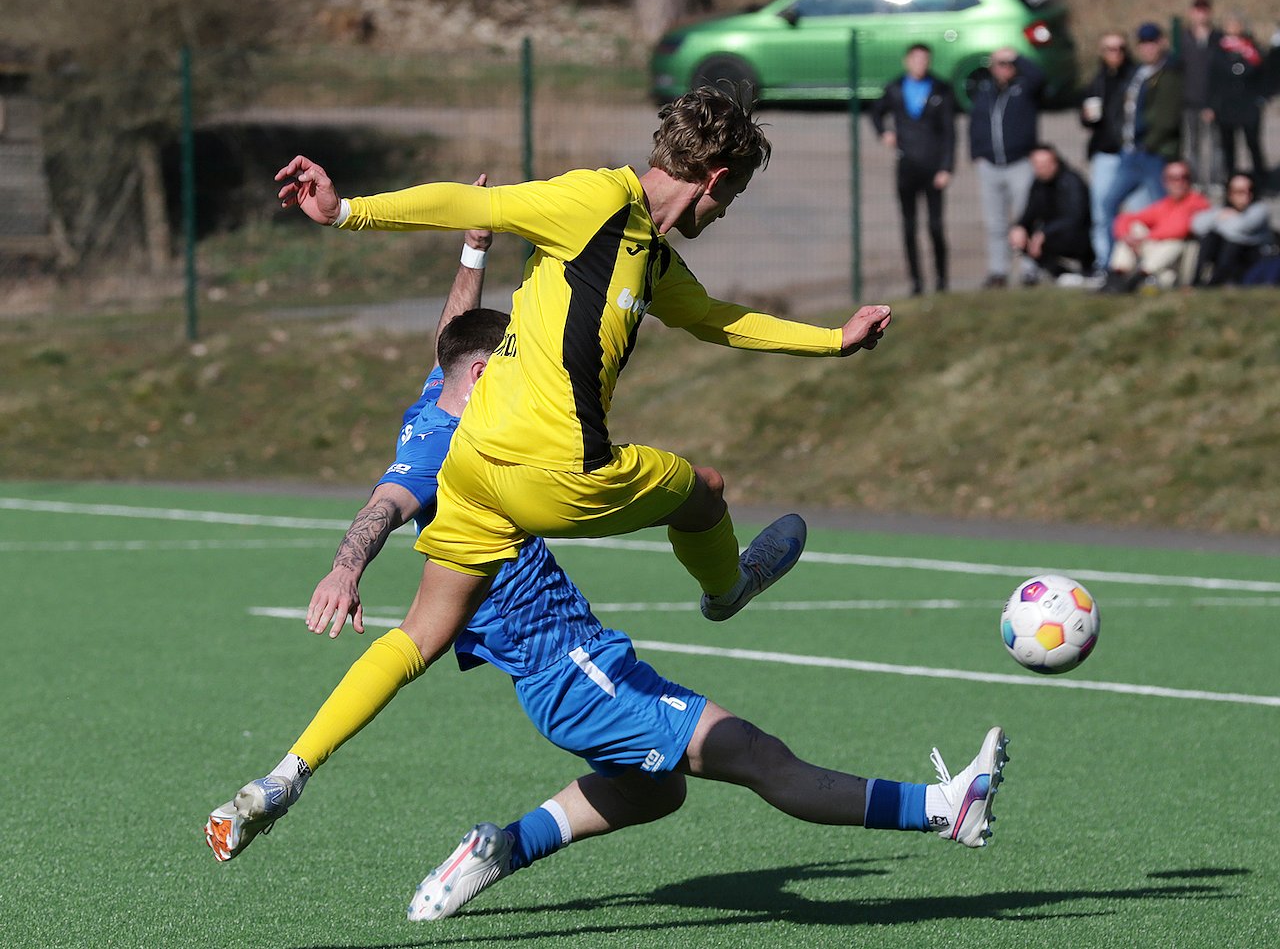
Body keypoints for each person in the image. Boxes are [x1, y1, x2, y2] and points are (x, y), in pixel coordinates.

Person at [206, 226, 1010, 923]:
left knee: (655, 791)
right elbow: (386, 501)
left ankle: (502, 846)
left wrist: (473, 250)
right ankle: (943, 807)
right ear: (486, 378)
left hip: (571, 664)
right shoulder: (443, 448)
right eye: (516, 366)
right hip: (573, 669)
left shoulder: (438, 403)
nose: (529, 377)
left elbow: (454, 338)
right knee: (756, 755)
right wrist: (346, 566)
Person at [228, 86, 895, 868]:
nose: (727, 211)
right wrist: (347, 211)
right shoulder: (595, 200)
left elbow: (716, 318)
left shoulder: (649, 254)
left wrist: (831, 339)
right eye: (734, 195)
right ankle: (727, 591)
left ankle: (286, 774)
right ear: (714, 176)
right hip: (559, 473)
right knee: (705, 489)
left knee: (419, 634)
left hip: (476, 469)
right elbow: (469, 202)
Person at [869, 43, 956, 296]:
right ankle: (916, 282)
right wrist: (884, 132)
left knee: (935, 226)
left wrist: (946, 167)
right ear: (907, 61)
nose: (920, 64)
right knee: (909, 227)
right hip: (907, 167)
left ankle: (941, 280)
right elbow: (875, 112)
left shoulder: (941, 88)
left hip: (933, 167)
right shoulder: (895, 87)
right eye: (916, 59)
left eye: (925, 60)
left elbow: (950, 133)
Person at [1099, 23, 1185, 262]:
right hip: (1129, 153)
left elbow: (1167, 119)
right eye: (1143, 43)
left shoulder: (1169, 74)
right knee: (1109, 204)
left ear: (1162, 43)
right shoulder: (1137, 73)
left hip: (1153, 154)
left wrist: (1148, 144)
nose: (1148, 48)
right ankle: (1112, 262)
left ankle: (1158, 263)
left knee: (1162, 209)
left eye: (1152, 42)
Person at [968, 47, 1045, 288]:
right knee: (995, 223)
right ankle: (998, 270)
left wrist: (1017, 57)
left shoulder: (1024, 88)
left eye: (1008, 64)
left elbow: (1039, 77)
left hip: (1019, 162)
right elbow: (975, 123)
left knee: (1026, 219)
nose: (1004, 68)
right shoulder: (984, 92)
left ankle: (1029, 269)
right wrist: (977, 154)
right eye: (999, 64)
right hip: (990, 165)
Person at [1100, 160, 1210, 292]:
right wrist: (1126, 236)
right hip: (1158, 260)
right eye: (1173, 178)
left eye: (1184, 177)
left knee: (1175, 243)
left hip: (1180, 264)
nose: (1179, 182)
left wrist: (1145, 239)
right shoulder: (1165, 204)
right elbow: (1126, 218)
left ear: (1190, 180)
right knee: (1135, 228)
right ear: (1165, 182)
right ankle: (1116, 277)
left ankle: (1138, 279)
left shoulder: (1198, 202)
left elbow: (1180, 229)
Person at [1080, 32, 1136, 277]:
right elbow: (1087, 117)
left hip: (1130, 153)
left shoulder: (1135, 78)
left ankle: (1129, 262)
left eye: (1120, 48)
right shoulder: (1097, 81)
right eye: (1110, 49)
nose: (1115, 54)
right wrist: (1086, 116)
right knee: (1102, 211)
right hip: (1104, 152)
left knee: (1133, 210)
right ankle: (1104, 261)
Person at [1008, 145, 1094, 283]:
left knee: (1043, 239)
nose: (1040, 168)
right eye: (1036, 164)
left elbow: (1075, 217)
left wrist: (1044, 233)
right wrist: (1019, 227)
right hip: (1052, 234)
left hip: (1081, 236)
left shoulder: (1071, 181)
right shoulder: (1038, 184)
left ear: (1054, 163)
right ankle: (1062, 274)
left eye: (1044, 164)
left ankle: (1088, 269)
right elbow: (1029, 213)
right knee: (1021, 237)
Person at [1205, 12, 1269, 184]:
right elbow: (1213, 79)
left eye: (1237, 24)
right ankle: (1231, 180)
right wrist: (1210, 105)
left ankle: (1260, 179)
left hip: (1248, 105)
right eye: (1230, 24)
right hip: (1226, 106)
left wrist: (1261, 97)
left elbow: (1261, 74)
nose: (1233, 28)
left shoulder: (1252, 49)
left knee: (1253, 144)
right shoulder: (1218, 50)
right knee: (1228, 147)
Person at [1190, 172, 1275, 285]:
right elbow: (1197, 225)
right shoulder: (1222, 210)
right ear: (1230, 193)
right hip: (1225, 254)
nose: (1246, 195)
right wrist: (1218, 217)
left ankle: (1215, 283)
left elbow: (1240, 228)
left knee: (1232, 242)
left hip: (1253, 257)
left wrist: (1221, 221)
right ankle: (1196, 280)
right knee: (1210, 238)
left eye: (1250, 190)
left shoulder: (1260, 209)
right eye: (1240, 191)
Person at [1180, 0, 1223, 188]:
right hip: (1190, 100)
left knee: (1215, 144)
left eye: (1204, 10)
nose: (1201, 14)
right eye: (1197, 10)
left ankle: (1215, 180)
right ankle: (1195, 181)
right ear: (1191, 12)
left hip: (1213, 101)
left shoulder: (1218, 38)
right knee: (1192, 145)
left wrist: (1214, 103)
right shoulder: (1183, 38)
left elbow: (1222, 73)